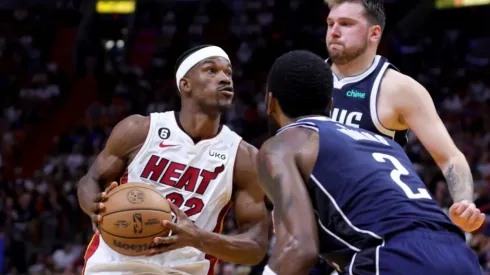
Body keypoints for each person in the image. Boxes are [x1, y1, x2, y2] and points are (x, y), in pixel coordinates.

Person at [257, 50, 483, 275]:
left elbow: (300, 249)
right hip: (462, 257)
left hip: (392, 256)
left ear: (270, 103)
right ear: (331, 103)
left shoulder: (283, 144)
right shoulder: (387, 144)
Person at [77, 45, 269, 275]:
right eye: (211, 70)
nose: (224, 79)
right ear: (185, 84)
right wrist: (94, 207)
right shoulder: (139, 130)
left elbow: (255, 247)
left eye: (228, 73)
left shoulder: (244, 158)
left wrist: (198, 238)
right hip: (113, 267)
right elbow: (91, 180)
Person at [325, 0, 482, 233]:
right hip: (317, 223)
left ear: (374, 33)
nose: (334, 32)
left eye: (346, 24)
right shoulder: (306, 80)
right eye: (330, 24)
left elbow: (450, 157)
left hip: (373, 225)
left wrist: (464, 201)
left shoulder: (399, 89)